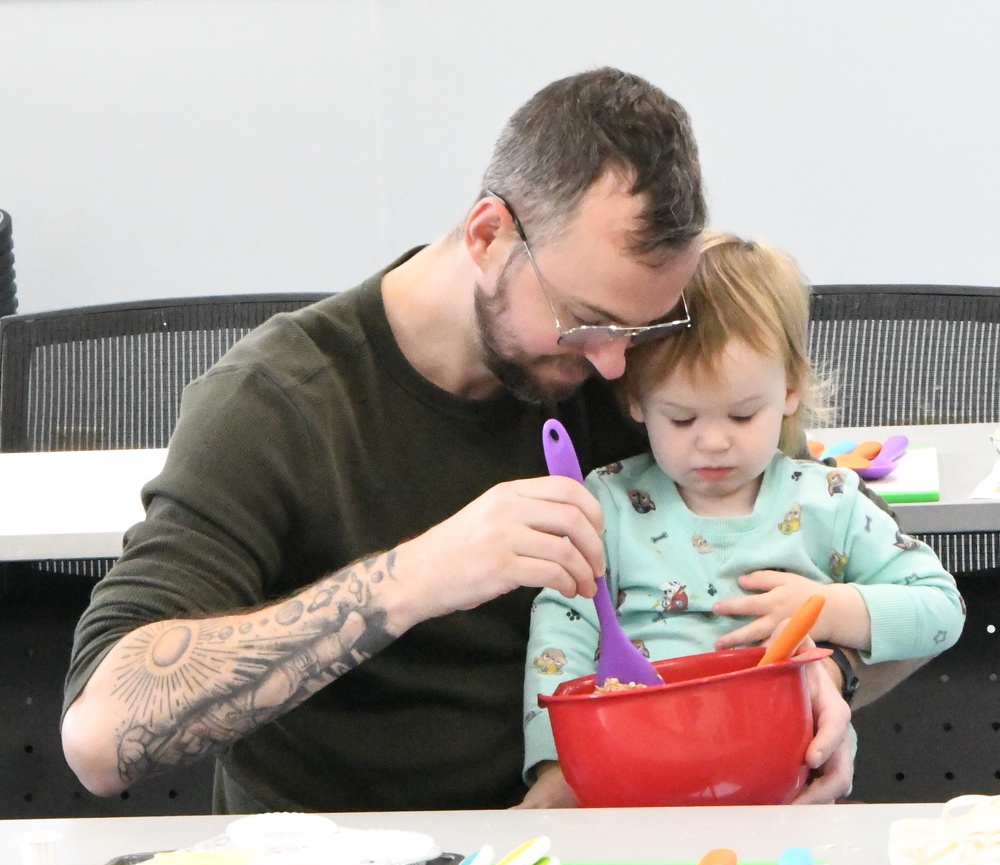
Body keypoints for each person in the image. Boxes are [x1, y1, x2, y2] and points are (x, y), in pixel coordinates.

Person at [62, 68, 881, 814]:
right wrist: (417, 575)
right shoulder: (280, 406)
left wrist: (821, 680)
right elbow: (101, 738)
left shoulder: (633, 373)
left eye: (640, 328)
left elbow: (853, 566)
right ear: (488, 235)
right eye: (583, 319)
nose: (611, 361)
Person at [523, 232, 966, 801]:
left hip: (786, 783)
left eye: (741, 413)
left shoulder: (826, 499)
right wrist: (559, 770)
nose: (713, 443)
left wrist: (827, 610)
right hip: (635, 779)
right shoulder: (608, 502)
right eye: (681, 419)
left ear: (788, 389)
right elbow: (560, 633)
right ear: (636, 400)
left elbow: (942, 607)